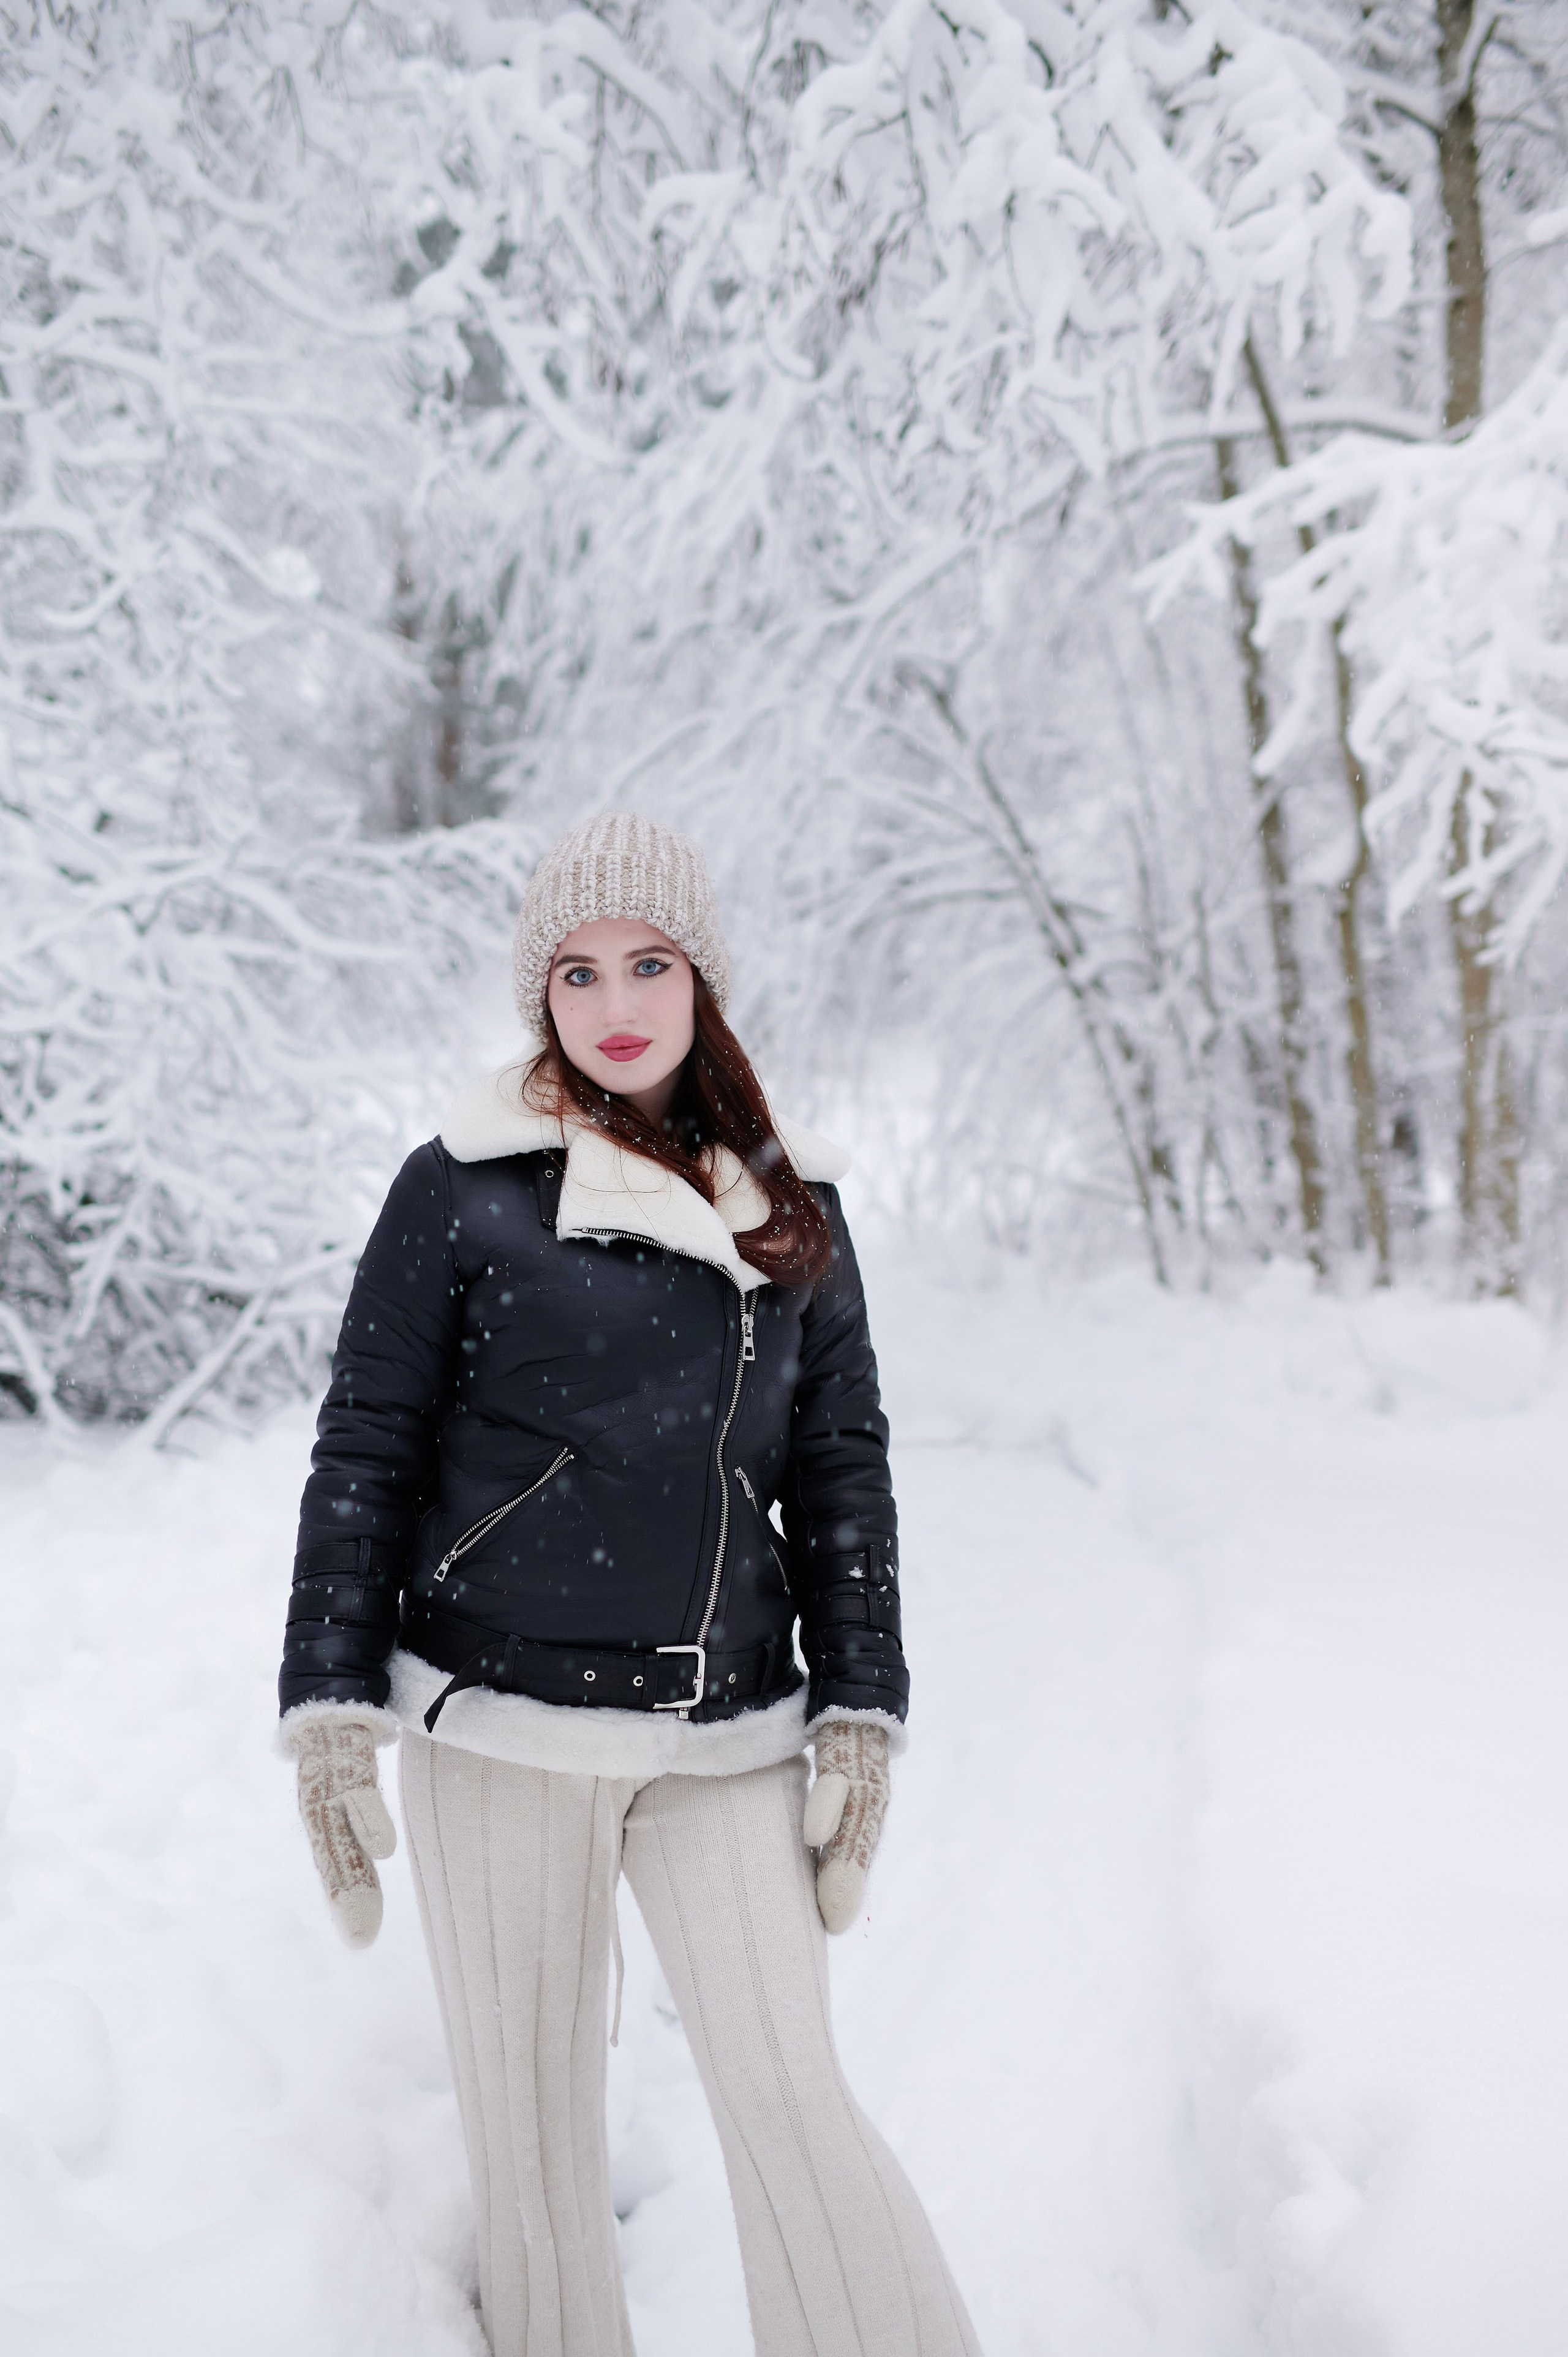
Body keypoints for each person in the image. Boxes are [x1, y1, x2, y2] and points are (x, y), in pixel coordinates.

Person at [276, 811, 980, 2357]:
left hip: (725, 1723)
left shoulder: (793, 1206)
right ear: (542, 994)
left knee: (795, 2107)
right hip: (502, 1721)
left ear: (699, 981)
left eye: (649, 962)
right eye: (578, 970)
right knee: (533, 2160)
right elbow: (366, 1447)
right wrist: (329, 1697)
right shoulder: (460, 1188)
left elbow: (841, 1464)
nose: (615, 1002)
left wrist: (861, 1702)